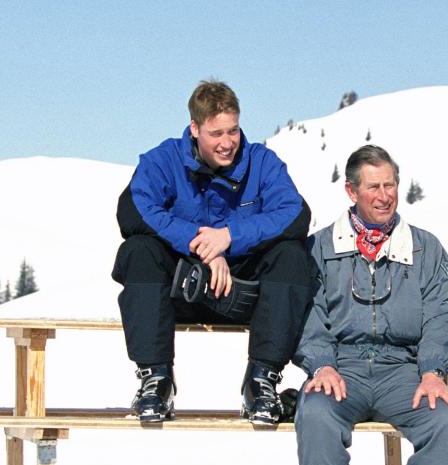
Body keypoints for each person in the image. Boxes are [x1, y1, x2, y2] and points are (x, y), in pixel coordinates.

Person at [294, 145, 448, 465]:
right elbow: (307, 313)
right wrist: (321, 364)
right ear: (352, 191)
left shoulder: (425, 249)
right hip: (342, 367)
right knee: (316, 413)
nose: (385, 195)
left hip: (403, 370)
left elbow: (440, 316)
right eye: (374, 186)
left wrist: (433, 372)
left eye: (390, 184)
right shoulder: (319, 248)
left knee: (446, 420)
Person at [111, 80, 313, 425]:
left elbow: (295, 213)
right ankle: (156, 379)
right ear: (194, 128)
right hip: (181, 289)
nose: (227, 143)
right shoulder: (163, 160)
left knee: (293, 256)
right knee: (137, 251)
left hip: (248, 292)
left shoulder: (262, 163)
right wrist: (200, 243)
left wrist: (230, 236)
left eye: (233, 131)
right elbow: (133, 210)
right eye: (216, 133)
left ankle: (262, 380)